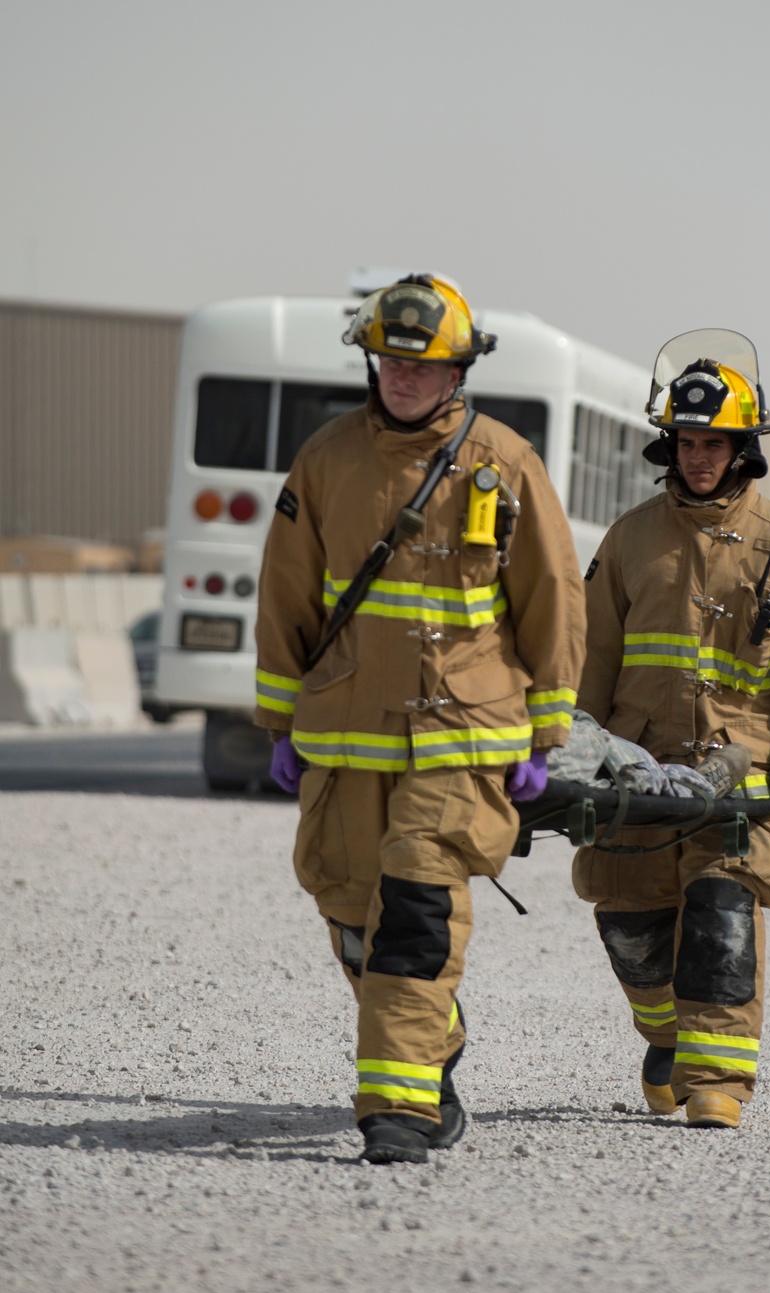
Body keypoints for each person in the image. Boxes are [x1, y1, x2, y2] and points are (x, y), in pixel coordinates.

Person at [254, 274, 586, 1164]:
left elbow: (552, 599)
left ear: (458, 371)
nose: (402, 381)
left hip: (462, 735)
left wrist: (545, 732)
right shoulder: (324, 460)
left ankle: (397, 1111)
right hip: (343, 735)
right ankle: (428, 1045)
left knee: (417, 907)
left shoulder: (505, 462)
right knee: (354, 919)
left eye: (423, 367)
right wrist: (279, 723)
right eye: (388, 364)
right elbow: (285, 595)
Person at [572, 329, 770, 1128]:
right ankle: (666, 1038)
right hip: (638, 775)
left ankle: (716, 1085)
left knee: (722, 919)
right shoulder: (629, 539)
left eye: (716, 444)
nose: (699, 459)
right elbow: (589, 657)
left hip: (744, 781)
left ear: (743, 448)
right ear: (671, 444)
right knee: (630, 928)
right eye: (688, 442)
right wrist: (568, 751)